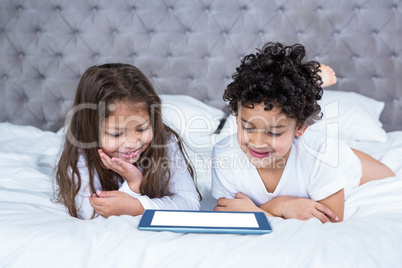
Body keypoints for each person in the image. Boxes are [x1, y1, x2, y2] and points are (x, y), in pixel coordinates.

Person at [211, 42, 395, 223]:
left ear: (301, 128)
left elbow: (332, 221)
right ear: (236, 117)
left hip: (340, 160)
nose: (257, 142)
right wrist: (277, 207)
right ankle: (308, 82)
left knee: (387, 174)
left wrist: (273, 206)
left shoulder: (324, 156)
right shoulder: (224, 154)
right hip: (308, 150)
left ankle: (309, 85)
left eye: (274, 133)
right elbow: (226, 212)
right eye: (248, 127)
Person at [55, 63, 200, 220]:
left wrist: (137, 206)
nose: (132, 143)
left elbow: (190, 203)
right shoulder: (81, 159)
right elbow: (91, 214)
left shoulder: (164, 142)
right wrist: (133, 185)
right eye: (116, 134)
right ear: (91, 130)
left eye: (141, 129)